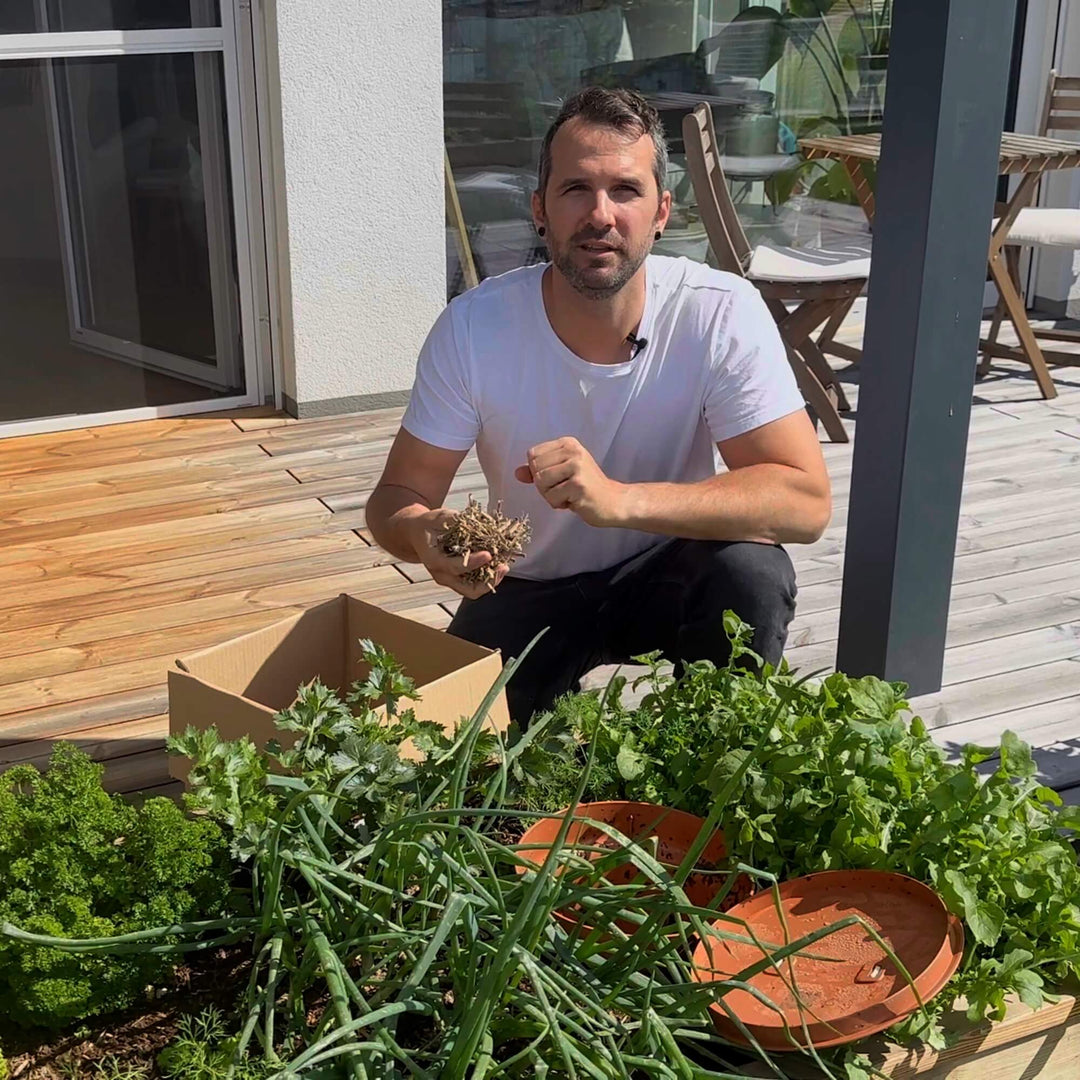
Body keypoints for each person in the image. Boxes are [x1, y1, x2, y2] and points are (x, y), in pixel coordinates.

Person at [367, 87, 831, 726]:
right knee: (468, 755)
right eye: (575, 189)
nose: (600, 214)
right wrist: (422, 533)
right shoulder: (475, 328)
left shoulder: (718, 311)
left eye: (626, 190)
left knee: (751, 571)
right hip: (526, 579)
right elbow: (395, 496)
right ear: (540, 209)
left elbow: (804, 504)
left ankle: (718, 753)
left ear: (663, 210)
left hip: (671, 562)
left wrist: (621, 500)